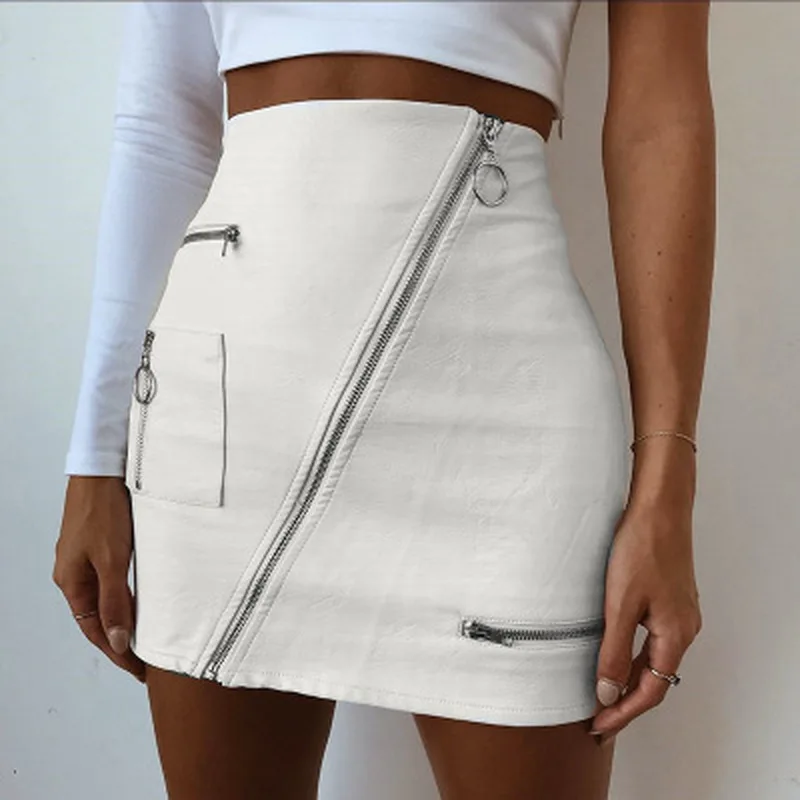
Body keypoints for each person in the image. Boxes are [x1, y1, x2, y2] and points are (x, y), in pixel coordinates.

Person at [53, 2, 714, 798]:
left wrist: (668, 483)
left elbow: (658, 120)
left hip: (504, 413)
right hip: (232, 412)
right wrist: (95, 457)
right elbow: (162, 135)